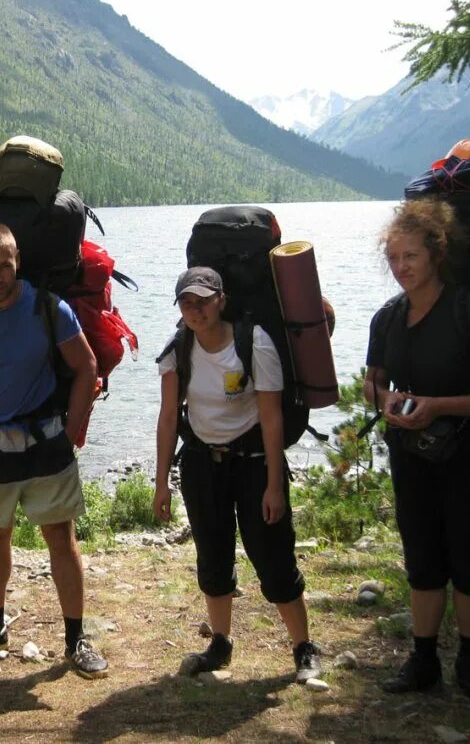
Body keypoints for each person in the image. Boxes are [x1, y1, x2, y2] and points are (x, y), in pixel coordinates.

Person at [0, 222, 109, 679]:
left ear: (18, 263)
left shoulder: (50, 310)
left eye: (5, 266)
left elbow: (86, 365)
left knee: (60, 540)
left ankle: (76, 639)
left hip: (45, 440)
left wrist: (71, 432)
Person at [365, 199, 470, 697]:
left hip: (469, 456)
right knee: (423, 558)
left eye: (409, 256)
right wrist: (388, 399)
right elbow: (372, 383)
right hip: (411, 455)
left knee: (469, 559)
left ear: (436, 253)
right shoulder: (388, 318)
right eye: (393, 258)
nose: (401, 268)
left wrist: (439, 406)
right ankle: (424, 660)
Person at [153, 266, 323, 682]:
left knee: (272, 554)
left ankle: (304, 647)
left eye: (203, 300)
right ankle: (220, 643)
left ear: (221, 300)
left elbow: (270, 418)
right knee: (212, 554)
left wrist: (274, 485)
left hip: (253, 462)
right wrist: (161, 483)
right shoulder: (178, 348)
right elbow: (168, 417)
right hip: (201, 464)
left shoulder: (253, 343)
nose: (196, 310)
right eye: (187, 302)